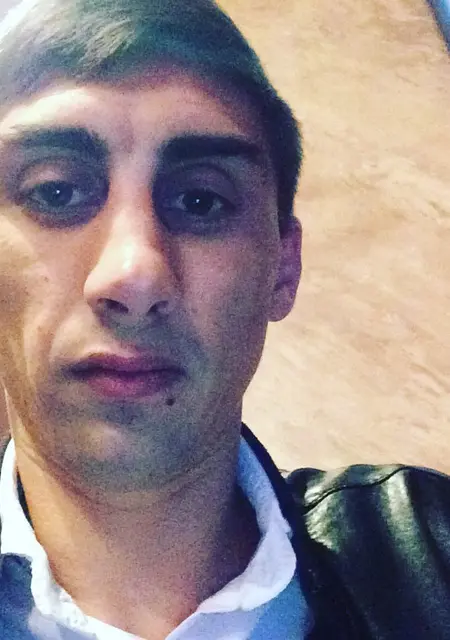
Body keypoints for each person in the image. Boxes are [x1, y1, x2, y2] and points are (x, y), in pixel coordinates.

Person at [0, 0, 448, 638]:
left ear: (283, 269)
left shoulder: (430, 551)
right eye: (56, 192)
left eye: (200, 200)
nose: (134, 275)